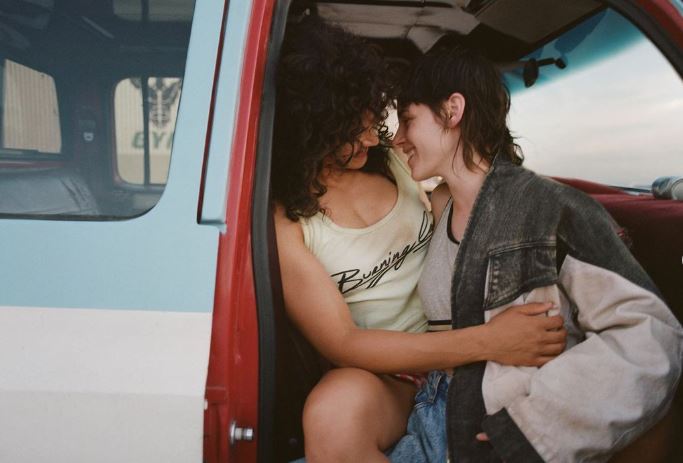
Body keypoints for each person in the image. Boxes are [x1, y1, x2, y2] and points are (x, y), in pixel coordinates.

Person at [272, 16, 567, 463]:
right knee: (332, 415)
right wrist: (489, 340)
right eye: (352, 128)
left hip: (461, 335)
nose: (374, 136)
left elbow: (472, 190)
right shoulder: (287, 221)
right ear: (312, 129)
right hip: (389, 375)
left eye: (373, 119)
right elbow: (343, 343)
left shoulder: (394, 162)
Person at [390, 42, 683, 462]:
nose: (397, 138)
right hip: (432, 419)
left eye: (407, 120)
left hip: (499, 432)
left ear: (452, 111)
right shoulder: (442, 208)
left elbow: (649, 338)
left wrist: (530, 430)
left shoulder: (552, 208)